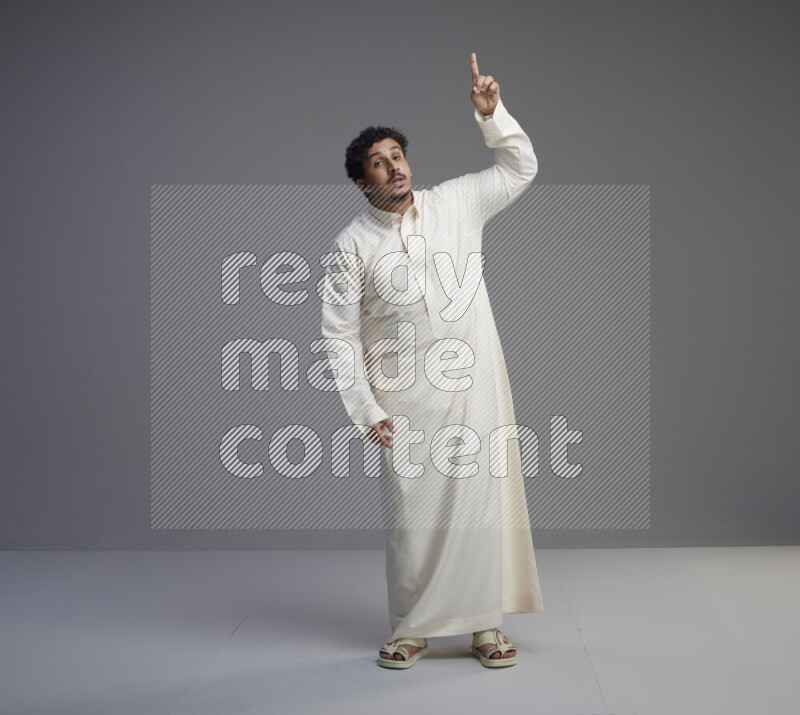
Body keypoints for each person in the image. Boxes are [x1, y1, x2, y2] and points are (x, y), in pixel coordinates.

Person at [320, 52, 543, 669]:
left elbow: (521, 166)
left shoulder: (456, 203)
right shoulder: (350, 246)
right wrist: (365, 410)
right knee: (412, 518)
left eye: (398, 156)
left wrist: (491, 115)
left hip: (476, 387)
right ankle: (413, 629)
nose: (393, 168)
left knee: (481, 504)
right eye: (378, 164)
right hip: (404, 398)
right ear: (362, 183)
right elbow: (338, 335)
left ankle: (485, 628)